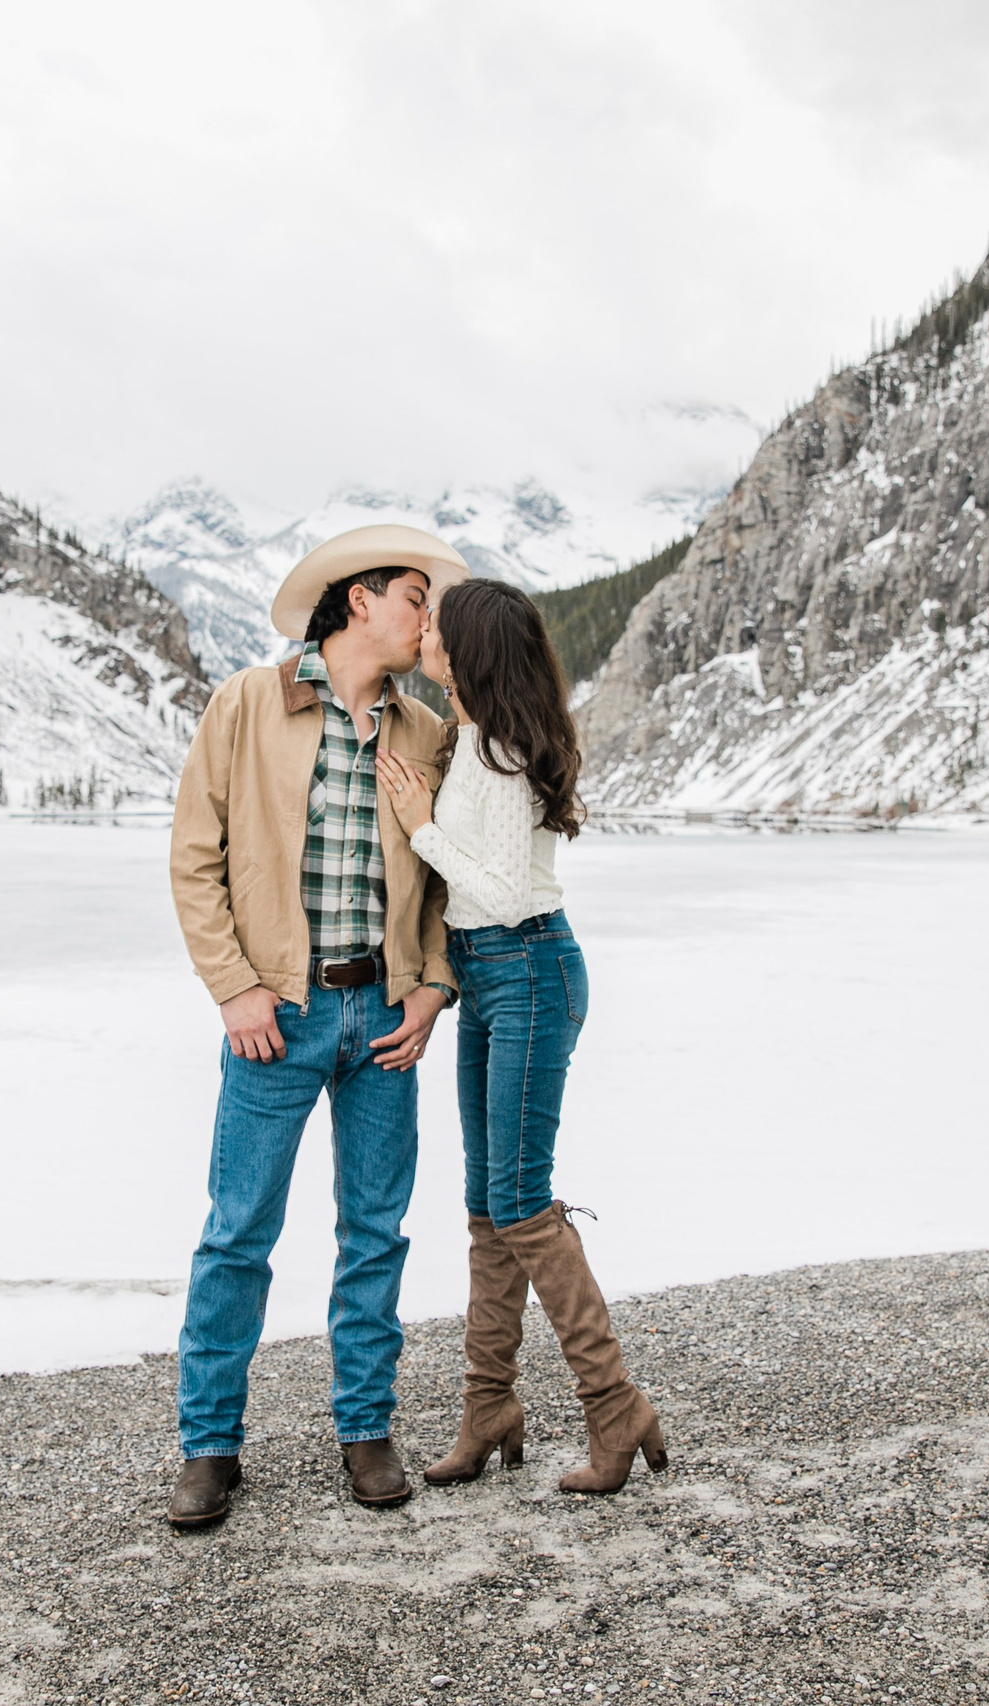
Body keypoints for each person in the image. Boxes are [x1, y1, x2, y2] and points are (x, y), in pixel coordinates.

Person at [163, 523, 469, 1528]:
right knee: (238, 1232)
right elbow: (195, 858)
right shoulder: (248, 703)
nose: (426, 619)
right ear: (358, 601)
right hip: (276, 1014)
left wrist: (432, 987)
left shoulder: (424, 730)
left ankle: (366, 1429)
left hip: (384, 1016)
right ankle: (210, 1445)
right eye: (415, 598)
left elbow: (447, 880)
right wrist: (234, 988)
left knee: (374, 1230)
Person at [374, 577, 668, 1496]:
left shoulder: (501, 754)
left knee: (521, 1200)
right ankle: (489, 1407)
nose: (425, 632)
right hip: (491, 976)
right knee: (487, 1203)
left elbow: (501, 893)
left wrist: (420, 828)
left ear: (467, 652)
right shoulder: (472, 741)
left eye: (437, 625)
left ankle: (614, 1405)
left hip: (530, 969)